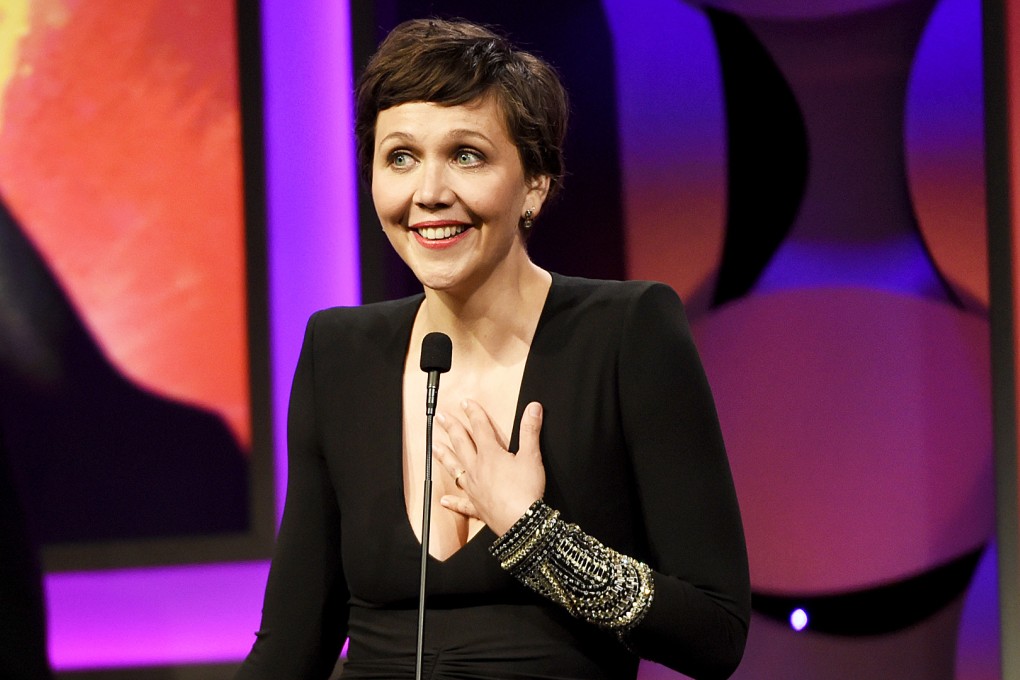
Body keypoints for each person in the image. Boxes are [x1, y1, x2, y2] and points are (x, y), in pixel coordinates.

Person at [235, 18, 749, 680]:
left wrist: (532, 534)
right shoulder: (340, 353)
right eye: (400, 158)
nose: (428, 194)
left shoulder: (627, 333)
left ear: (534, 182)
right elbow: (289, 650)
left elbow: (715, 632)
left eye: (467, 155)